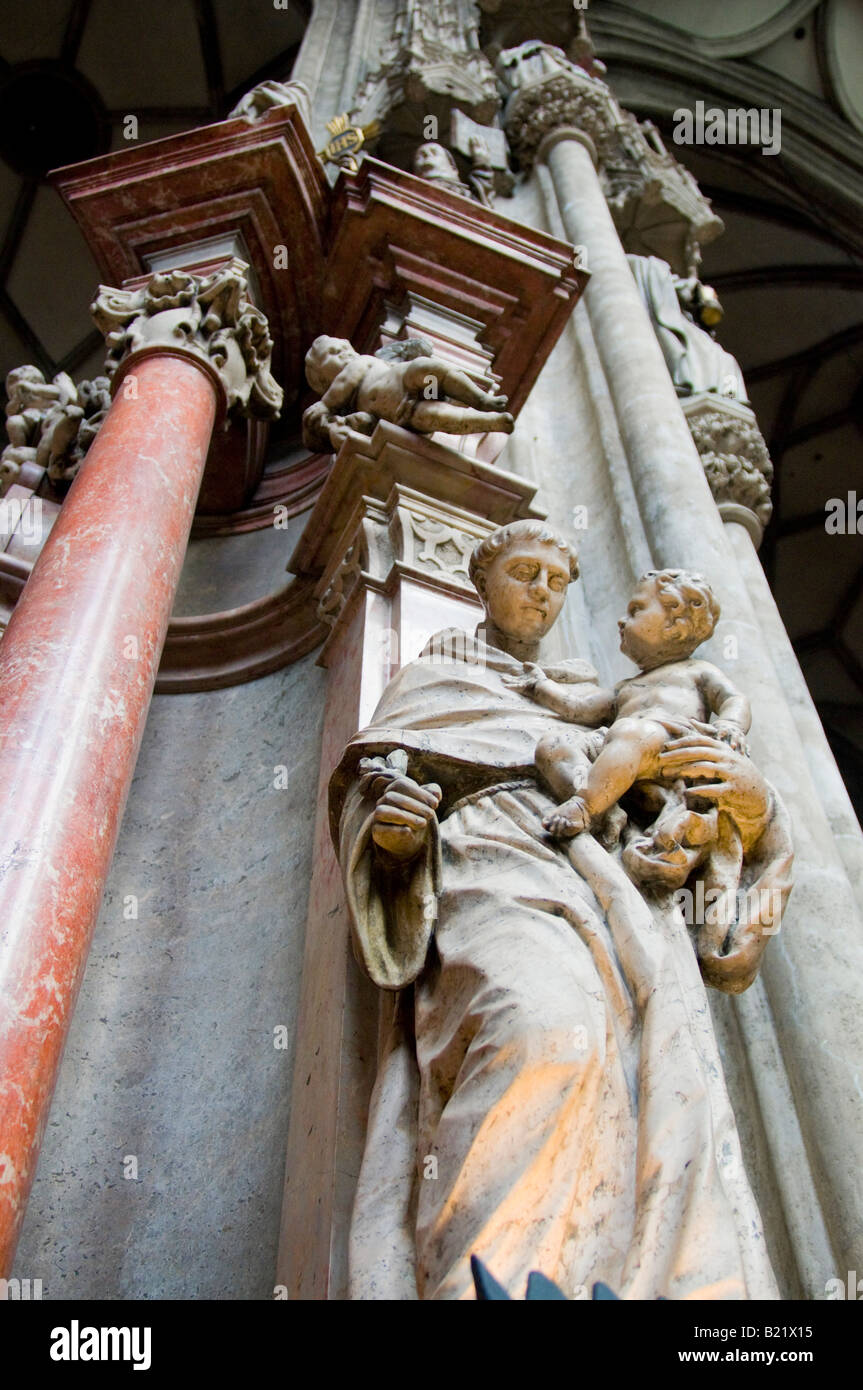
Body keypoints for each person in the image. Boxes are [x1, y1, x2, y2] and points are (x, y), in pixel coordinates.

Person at [330, 519, 787, 1300]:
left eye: (556, 580)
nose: (541, 591)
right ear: (481, 580)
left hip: (603, 882)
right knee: (539, 1032)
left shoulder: (593, 698)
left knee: (638, 1077)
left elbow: (678, 797)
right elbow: (372, 789)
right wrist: (397, 840)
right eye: (524, 571)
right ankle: (491, 1279)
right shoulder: (437, 675)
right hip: (483, 861)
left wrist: (755, 806)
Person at [505, 569, 750, 839]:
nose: (621, 621)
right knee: (553, 744)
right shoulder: (626, 687)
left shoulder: (697, 671)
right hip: (620, 743)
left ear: (675, 623)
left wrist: (730, 724)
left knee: (633, 732)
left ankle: (585, 805)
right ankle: (606, 808)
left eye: (635, 611)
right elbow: (578, 707)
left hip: (670, 744)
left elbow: (733, 698)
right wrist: (540, 686)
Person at [302, 334, 514, 451]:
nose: (341, 351)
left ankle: (481, 399)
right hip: (402, 411)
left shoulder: (362, 362)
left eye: (341, 346)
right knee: (436, 416)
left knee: (428, 370)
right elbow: (338, 393)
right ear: (324, 380)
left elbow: (336, 395)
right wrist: (326, 409)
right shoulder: (345, 398)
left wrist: (325, 406)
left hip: (403, 379)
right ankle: (490, 422)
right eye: (331, 354)